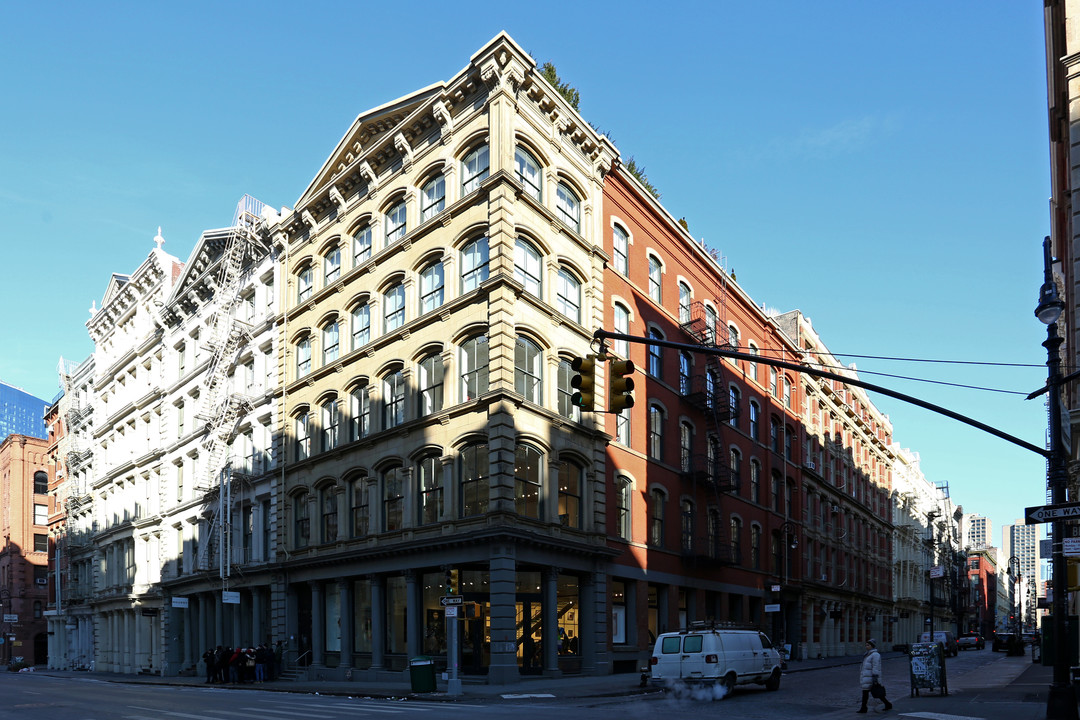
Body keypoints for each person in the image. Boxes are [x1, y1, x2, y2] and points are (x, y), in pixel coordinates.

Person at [858, 638, 892, 713]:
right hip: (866, 677)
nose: (866, 646)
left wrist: (875, 678)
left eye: (868, 645)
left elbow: (876, 667)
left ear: (872, 646)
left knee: (877, 693)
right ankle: (864, 708)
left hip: (871, 677)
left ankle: (887, 704)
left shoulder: (875, 655)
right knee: (865, 693)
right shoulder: (867, 654)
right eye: (866, 645)